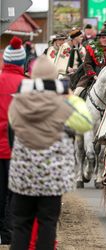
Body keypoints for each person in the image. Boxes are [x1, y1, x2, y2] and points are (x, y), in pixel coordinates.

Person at [8, 55, 93, 250]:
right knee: (48, 223)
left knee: (21, 224)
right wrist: (71, 97)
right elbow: (85, 123)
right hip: (52, 177)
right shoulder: (62, 105)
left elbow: (13, 125)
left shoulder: (19, 102)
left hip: (23, 175)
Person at [0, 36, 26, 245]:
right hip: (16, 148)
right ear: (22, 62)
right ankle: (8, 235)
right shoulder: (26, 85)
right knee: (13, 194)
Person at [74, 29, 106, 96]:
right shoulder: (92, 48)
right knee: (77, 92)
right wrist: (94, 76)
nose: (105, 39)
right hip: (92, 77)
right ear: (99, 39)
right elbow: (87, 64)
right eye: (103, 37)